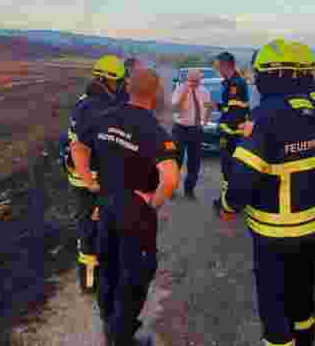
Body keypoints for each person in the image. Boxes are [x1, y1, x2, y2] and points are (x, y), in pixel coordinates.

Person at [215, 38, 315, 346]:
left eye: (260, 73)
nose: (255, 80)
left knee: (273, 301)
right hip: (312, 225)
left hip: (274, 231)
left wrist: (228, 206)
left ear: (275, 73)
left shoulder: (265, 116)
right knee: (302, 291)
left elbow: (243, 178)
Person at [72, 67, 180, 346]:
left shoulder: (104, 116)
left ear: (128, 88)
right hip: (135, 211)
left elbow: (78, 147)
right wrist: (152, 204)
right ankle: (120, 338)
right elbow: (169, 177)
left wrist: (90, 182)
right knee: (136, 273)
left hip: (105, 204)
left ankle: (111, 325)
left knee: (108, 267)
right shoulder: (152, 128)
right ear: (155, 94)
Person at [62, 54, 126, 293]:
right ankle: (90, 282)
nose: (122, 86)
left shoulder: (90, 100)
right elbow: (83, 148)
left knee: (97, 225)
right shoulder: (94, 107)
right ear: (110, 81)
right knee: (90, 229)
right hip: (89, 180)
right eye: (120, 81)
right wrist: (92, 184)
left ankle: (99, 275)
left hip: (88, 176)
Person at [170, 68, 212, 200]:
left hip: (196, 129)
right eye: (192, 81)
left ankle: (189, 190)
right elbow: (175, 108)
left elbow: (208, 106)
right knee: (176, 161)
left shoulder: (204, 91)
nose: (195, 83)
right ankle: (172, 189)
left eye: (197, 81)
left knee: (194, 162)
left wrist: (205, 120)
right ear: (187, 79)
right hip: (180, 129)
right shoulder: (180, 89)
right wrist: (184, 93)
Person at [213, 51, 250, 199]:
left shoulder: (236, 84)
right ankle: (230, 198)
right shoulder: (231, 82)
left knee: (229, 168)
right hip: (231, 133)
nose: (217, 70)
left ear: (225, 65)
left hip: (232, 135)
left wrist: (223, 128)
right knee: (229, 168)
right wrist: (218, 106)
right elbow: (231, 107)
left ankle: (229, 201)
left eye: (218, 66)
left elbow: (235, 113)